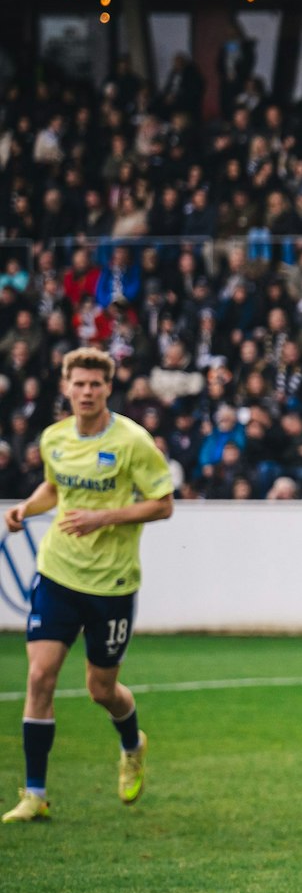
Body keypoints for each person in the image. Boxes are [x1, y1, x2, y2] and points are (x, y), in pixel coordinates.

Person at [4, 349, 174, 823]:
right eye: (78, 384)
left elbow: (163, 504)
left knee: (102, 690)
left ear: (107, 389)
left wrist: (105, 516)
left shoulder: (133, 442)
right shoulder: (54, 438)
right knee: (39, 676)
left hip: (112, 583)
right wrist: (26, 509)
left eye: (95, 384)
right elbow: (54, 489)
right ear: (65, 386)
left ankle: (132, 743)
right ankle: (34, 794)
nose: (86, 392)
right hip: (58, 572)